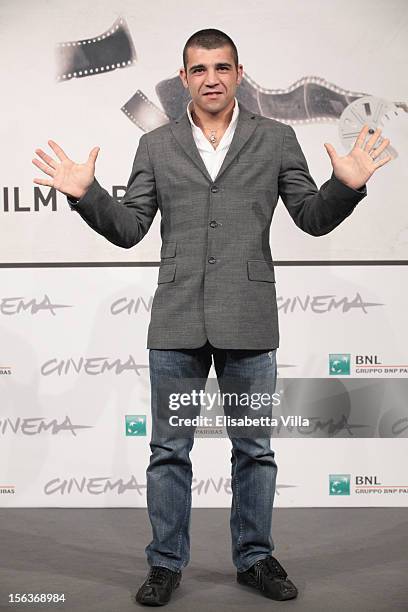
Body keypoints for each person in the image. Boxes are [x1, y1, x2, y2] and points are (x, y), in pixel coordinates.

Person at [32, 28, 392, 606]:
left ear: (239, 74)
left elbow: (311, 217)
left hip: (248, 322)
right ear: (183, 79)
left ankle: (255, 558)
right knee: (168, 451)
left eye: (222, 68)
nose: (211, 79)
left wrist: (344, 188)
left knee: (254, 449)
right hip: (175, 325)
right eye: (199, 70)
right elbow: (129, 230)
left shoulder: (276, 138)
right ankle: (166, 564)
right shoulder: (156, 145)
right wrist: (87, 194)